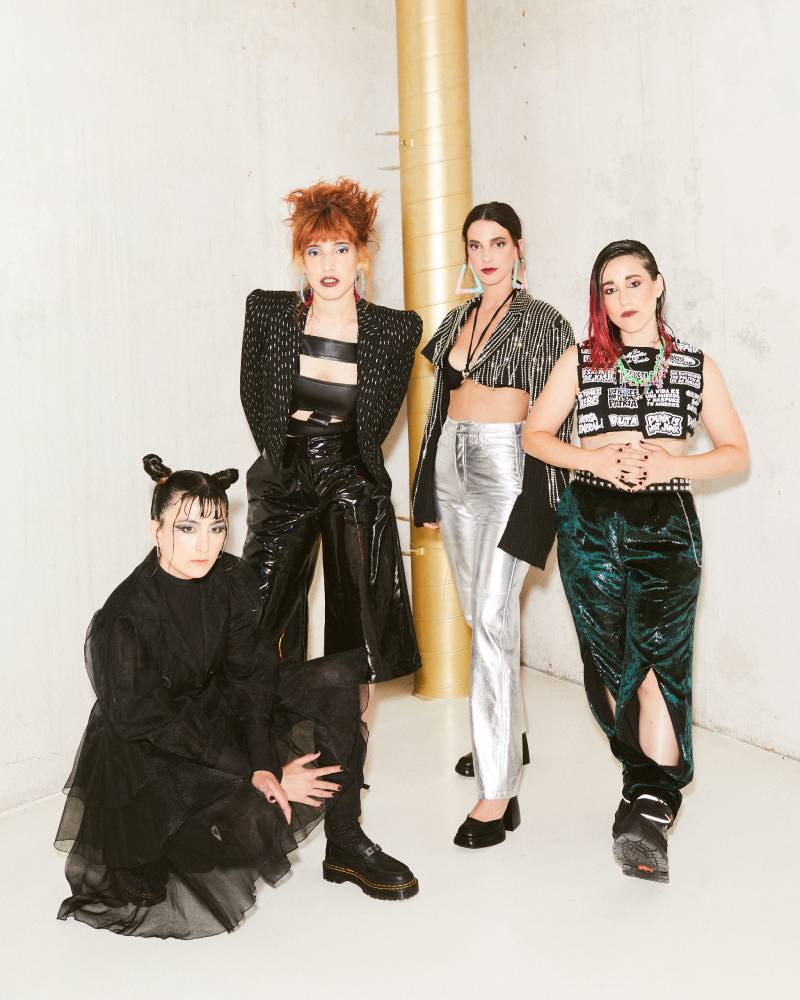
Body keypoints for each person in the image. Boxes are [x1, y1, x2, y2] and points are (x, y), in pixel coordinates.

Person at [55, 455, 417, 940]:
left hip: (211, 711)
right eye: (187, 529)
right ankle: (169, 843)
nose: (205, 545)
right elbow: (156, 724)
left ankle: (346, 841)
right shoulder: (123, 618)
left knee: (337, 680)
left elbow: (251, 678)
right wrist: (258, 775)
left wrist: (265, 763)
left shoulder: (229, 578)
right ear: (156, 530)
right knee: (253, 821)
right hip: (148, 752)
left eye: (217, 528)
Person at [522, 239, 748, 882]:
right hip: (590, 525)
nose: (622, 298)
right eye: (609, 288)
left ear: (657, 284)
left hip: (667, 529)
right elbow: (536, 435)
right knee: (610, 664)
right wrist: (592, 458)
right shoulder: (579, 359)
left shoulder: (696, 366)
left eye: (632, 282)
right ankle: (644, 789)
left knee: (655, 667)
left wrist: (674, 465)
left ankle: (650, 808)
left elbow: (735, 451)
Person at [411, 202, 575, 849]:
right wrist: (426, 486)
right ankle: (506, 733)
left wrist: (548, 498)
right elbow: (437, 407)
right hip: (452, 465)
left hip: (508, 467)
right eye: (475, 244)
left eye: (498, 243)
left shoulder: (543, 320)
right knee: (478, 615)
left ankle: (497, 792)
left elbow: (559, 418)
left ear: (518, 248)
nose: (486, 255)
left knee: (492, 617)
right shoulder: (456, 319)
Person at [240, 178, 421, 684]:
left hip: (349, 473)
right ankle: (270, 727)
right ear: (300, 259)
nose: (328, 264)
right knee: (258, 612)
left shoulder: (394, 331)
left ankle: (345, 731)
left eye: (341, 248)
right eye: (315, 250)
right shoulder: (268, 314)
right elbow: (254, 396)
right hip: (285, 471)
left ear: (361, 255)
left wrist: (348, 470)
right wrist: (283, 458)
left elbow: (379, 419)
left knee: (359, 626)